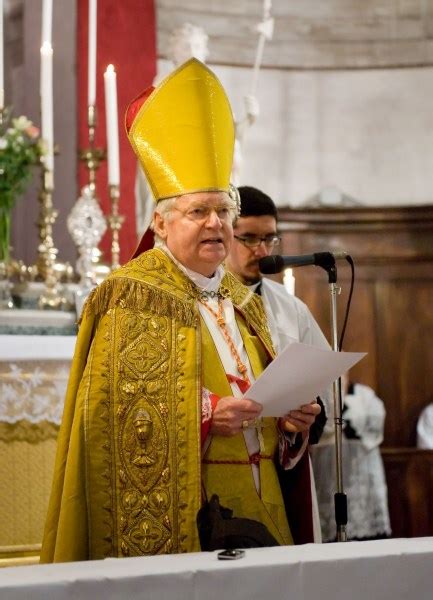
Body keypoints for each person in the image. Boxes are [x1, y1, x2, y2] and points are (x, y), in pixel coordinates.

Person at [40, 59, 320, 562]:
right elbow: (110, 417)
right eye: (198, 211)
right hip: (194, 518)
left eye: (223, 211)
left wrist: (293, 427)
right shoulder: (131, 294)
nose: (216, 223)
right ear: (162, 223)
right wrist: (209, 413)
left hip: (266, 510)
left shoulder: (242, 300)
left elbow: (273, 425)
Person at [224, 185, 332, 543]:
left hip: (279, 467)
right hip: (223, 462)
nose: (262, 251)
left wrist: (300, 420)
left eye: (270, 239)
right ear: (226, 234)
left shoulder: (290, 308)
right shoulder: (202, 303)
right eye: (249, 239)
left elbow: (323, 393)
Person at [135, 22, 259, 238]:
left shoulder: (212, 87)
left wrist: (248, 119)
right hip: (176, 171)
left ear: (205, 51)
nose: (191, 52)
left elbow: (226, 138)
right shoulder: (163, 85)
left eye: (196, 46)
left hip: (207, 173)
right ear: (173, 51)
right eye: (185, 46)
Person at [310, 376, 392, 541]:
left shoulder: (364, 394)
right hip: (329, 467)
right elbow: (316, 431)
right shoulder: (320, 395)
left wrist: (356, 431)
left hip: (361, 467)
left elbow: (376, 426)